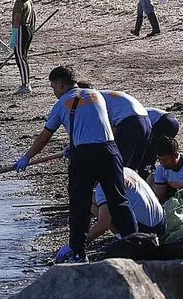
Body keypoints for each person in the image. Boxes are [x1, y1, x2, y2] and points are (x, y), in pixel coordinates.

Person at [15, 66, 137, 263]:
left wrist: (27, 157)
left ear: (61, 84)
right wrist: (74, 143)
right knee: (118, 200)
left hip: (84, 156)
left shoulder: (62, 103)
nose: (54, 91)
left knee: (79, 204)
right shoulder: (97, 94)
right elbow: (95, 121)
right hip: (109, 150)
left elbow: (46, 135)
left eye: (53, 86)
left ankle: (79, 252)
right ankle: (135, 244)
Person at [89, 167, 166, 242]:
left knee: (90, 201)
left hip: (141, 233)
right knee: (96, 198)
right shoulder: (127, 171)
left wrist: (81, 242)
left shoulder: (103, 186)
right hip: (161, 225)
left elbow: (104, 224)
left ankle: (122, 237)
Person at [99, 89, 152, 175]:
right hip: (146, 120)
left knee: (120, 164)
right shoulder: (107, 94)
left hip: (130, 123)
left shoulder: (94, 99)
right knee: (133, 167)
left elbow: (107, 129)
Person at [11, 0, 35, 95]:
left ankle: (26, 85)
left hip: (21, 29)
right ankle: (25, 83)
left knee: (21, 58)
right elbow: (34, 16)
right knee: (20, 57)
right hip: (28, 29)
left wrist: (14, 36)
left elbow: (17, 20)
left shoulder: (19, 2)